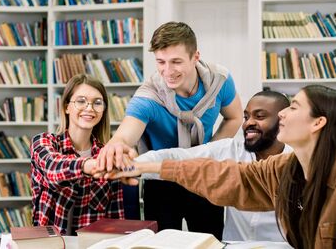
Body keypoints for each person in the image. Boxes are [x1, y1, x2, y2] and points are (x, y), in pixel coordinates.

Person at [110, 85, 336, 248]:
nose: (283, 114)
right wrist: (144, 167)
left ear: (318, 123)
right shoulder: (285, 169)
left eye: (293, 107)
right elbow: (228, 176)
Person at [97, 21, 243, 239]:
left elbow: (235, 117)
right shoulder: (149, 96)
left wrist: (207, 154)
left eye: (176, 61)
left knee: (210, 241)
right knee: (164, 244)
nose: (168, 71)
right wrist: (116, 145)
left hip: (203, 176)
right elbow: (125, 135)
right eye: (161, 62)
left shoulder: (219, 80)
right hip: (161, 182)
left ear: (196, 57)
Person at [119, 90, 291, 242]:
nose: (248, 123)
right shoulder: (230, 148)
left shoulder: (297, 162)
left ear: (282, 120)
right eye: (246, 117)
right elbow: (179, 156)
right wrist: (131, 165)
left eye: (259, 116)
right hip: (233, 245)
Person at [30, 74, 124, 235]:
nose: (89, 108)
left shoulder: (107, 154)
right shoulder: (43, 142)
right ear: (67, 106)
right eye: (81, 101)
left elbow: (115, 217)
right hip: (50, 244)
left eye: (97, 103)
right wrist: (89, 165)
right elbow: (53, 168)